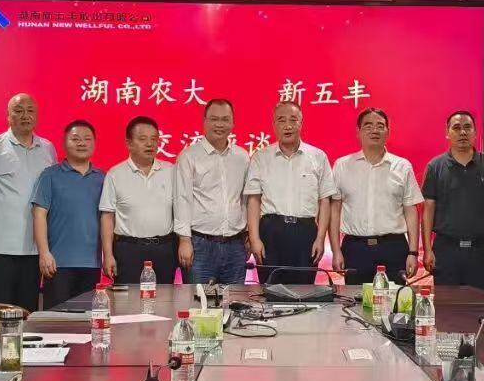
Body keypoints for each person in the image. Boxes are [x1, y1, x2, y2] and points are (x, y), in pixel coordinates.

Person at [0, 93, 56, 312]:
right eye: (18, 111)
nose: (25, 115)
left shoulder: (47, 148)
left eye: (30, 110)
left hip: (34, 248)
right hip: (1, 248)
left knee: (26, 311)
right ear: (8, 116)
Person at [245, 101, 336, 284]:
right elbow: (254, 200)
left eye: (293, 120)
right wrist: (254, 238)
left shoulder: (318, 157)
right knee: (270, 291)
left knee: (303, 292)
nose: (288, 126)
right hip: (270, 232)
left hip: (305, 233)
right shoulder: (261, 157)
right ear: (274, 125)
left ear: (301, 123)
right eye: (281, 120)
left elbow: (324, 201)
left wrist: (320, 238)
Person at [330, 107, 422, 285]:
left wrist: (413, 252)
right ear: (358, 132)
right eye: (368, 126)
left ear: (388, 131)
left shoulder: (402, 166)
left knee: (394, 300)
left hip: (393, 248)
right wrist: (336, 251)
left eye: (380, 126)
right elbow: (334, 211)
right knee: (355, 299)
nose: (374, 130)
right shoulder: (342, 166)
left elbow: (411, 211)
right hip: (355, 249)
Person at [421, 110, 484, 290]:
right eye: (456, 128)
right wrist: (428, 249)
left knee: (478, 304)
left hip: (479, 249)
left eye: (468, 127)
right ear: (447, 132)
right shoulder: (435, 166)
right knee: (446, 304)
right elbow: (428, 210)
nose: (462, 132)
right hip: (445, 250)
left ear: (475, 132)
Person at [174, 99, 250, 285]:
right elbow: (182, 199)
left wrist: (248, 234)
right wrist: (184, 240)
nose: (220, 124)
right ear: (204, 121)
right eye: (214, 119)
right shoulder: (189, 156)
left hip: (235, 245)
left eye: (225, 119)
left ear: (233, 123)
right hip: (200, 245)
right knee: (198, 300)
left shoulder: (242, 157)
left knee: (235, 300)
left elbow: (246, 199)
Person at [32, 120, 104, 305]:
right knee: (57, 318)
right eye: (75, 139)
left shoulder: (103, 178)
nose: (82, 143)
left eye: (87, 139)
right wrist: (44, 253)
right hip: (58, 264)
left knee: (88, 317)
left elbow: (107, 220)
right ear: (64, 143)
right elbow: (39, 214)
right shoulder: (49, 175)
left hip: (92, 263)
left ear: (94, 144)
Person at [100, 116, 178, 285]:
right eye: (143, 139)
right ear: (129, 143)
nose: (150, 144)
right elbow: (107, 217)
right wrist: (108, 254)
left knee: (164, 298)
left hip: (164, 249)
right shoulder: (115, 174)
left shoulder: (171, 171)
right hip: (128, 250)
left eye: (154, 139)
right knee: (128, 299)